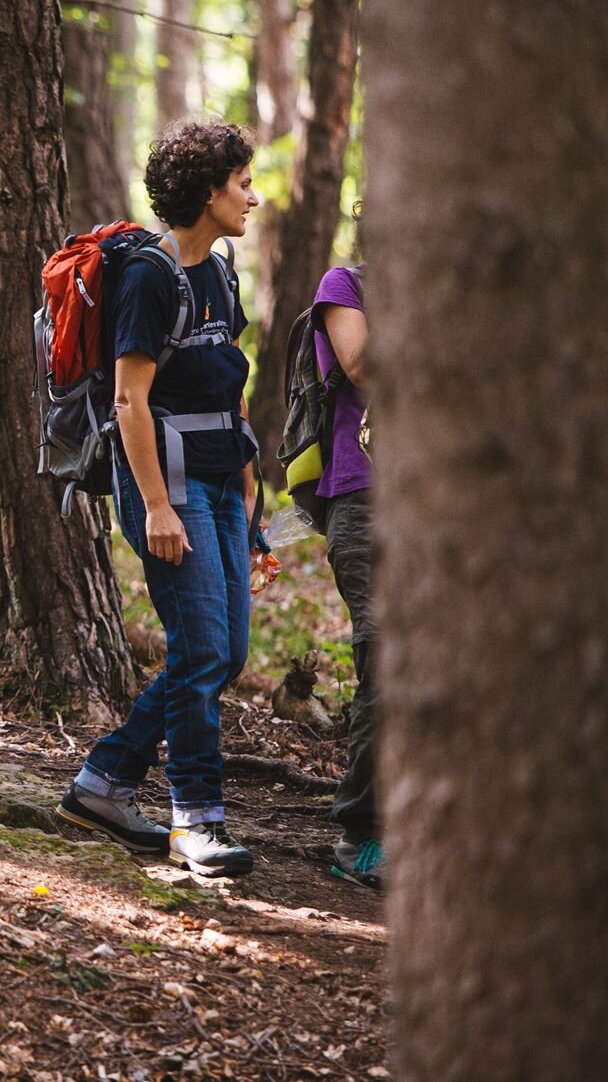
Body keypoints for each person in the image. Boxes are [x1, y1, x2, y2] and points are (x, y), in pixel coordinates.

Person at [56, 120, 263, 878]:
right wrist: (155, 506)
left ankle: (104, 781)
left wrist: (250, 489)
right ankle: (195, 820)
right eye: (242, 183)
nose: (252, 196)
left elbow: (227, 382)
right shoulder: (150, 275)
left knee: (225, 651)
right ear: (207, 192)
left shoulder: (223, 267)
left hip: (220, 476)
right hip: (167, 484)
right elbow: (130, 401)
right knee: (203, 648)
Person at [308, 254, 379, 889]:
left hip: (445, 503)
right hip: (364, 501)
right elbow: (359, 366)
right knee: (386, 656)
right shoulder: (345, 285)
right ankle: (363, 833)